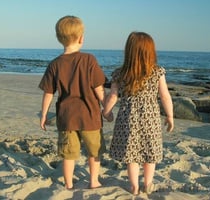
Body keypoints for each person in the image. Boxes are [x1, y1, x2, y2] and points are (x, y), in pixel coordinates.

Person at [39, 15, 107, 190]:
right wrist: (107, 108)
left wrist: (44, 114)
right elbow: (99, 88)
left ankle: (69, 184)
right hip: (90, 116)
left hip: (67, 117)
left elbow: (48, 93)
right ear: (81, 38)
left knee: (68, 154)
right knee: (94, 151)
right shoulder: (89, 60)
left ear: (59, 38)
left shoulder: (55, 64)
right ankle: (94, 181)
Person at [102, 32, 174, 195]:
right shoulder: (157, 72)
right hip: (151, 118)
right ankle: (148, 184)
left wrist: (106, 112)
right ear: (151, 52)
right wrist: (169, 116)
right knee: (150, 153)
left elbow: (113, 96)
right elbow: (165, 96)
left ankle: (134, 186)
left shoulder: (120, 73)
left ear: (129, 51)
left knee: (132, 154)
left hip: (128, 118)